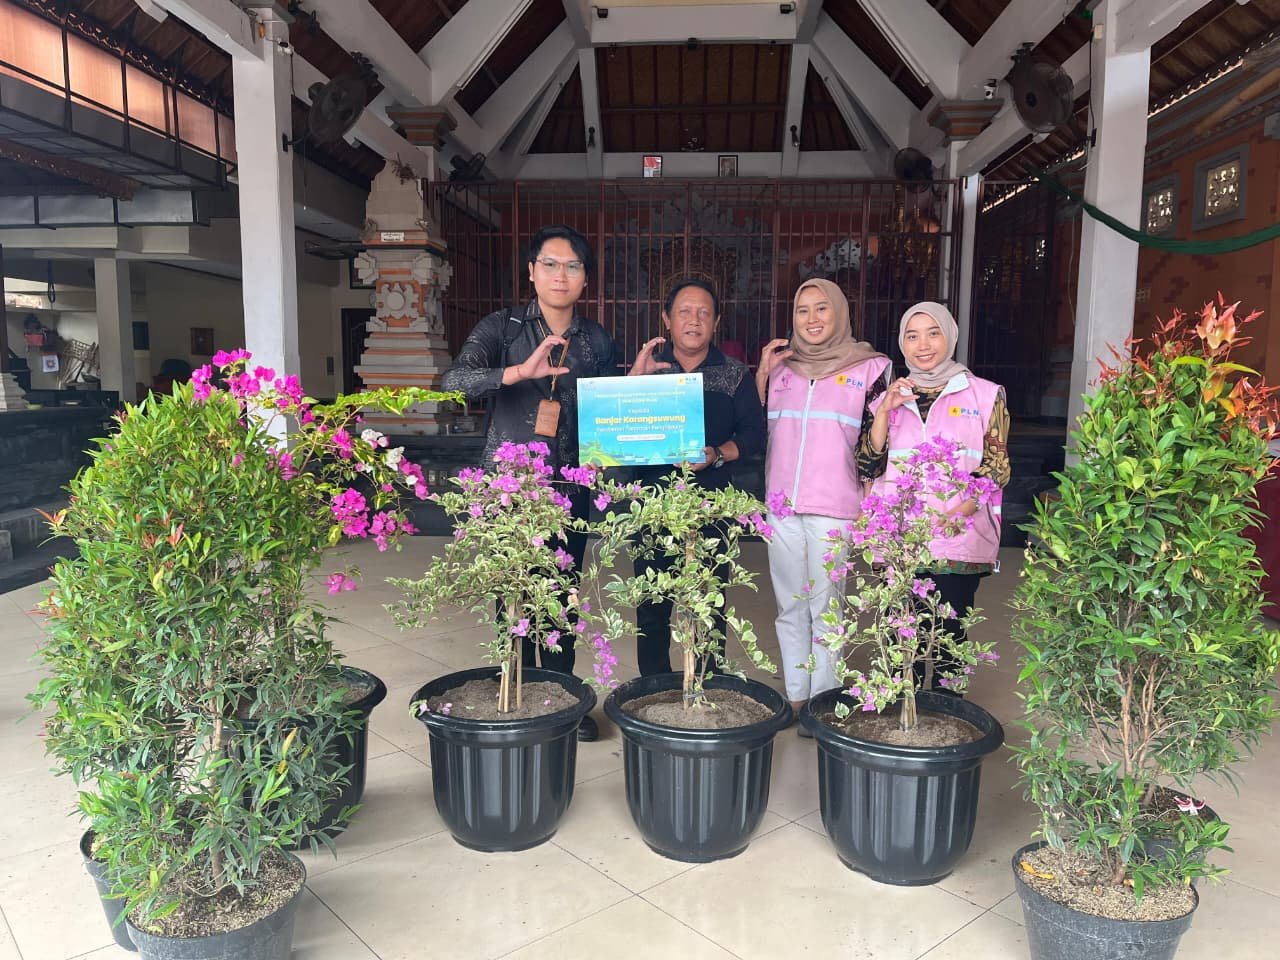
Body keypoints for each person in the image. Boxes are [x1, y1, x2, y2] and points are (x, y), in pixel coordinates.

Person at [441, 224, 616, 740]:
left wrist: (633, 386)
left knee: (562, 594)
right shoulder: (503, 328)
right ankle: (516, 695)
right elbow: (454, 382)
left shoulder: (596, 340)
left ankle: (562, 700)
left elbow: (603, 411)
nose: (561, 275)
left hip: (570, 487)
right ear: (532, 272)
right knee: (513, 596)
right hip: (510, 489)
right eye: (551, 264)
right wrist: (517, 372)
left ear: (585, 278)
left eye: (573, 266)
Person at [755, 279, 891, 735]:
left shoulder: (871, 368)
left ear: (839, 313)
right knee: (789, 605)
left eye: (821, 309)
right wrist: (761, 377)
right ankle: (796, 696)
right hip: (782, 505)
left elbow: (881, 443)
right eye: (802, 310)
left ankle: (823, 701)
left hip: (835, 506)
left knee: (826, 606)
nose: (812, 319)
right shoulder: (781, 368)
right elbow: (762, 430)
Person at [858, 301, 1010, 692]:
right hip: (898, 537)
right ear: (902, 343)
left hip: (958, 536)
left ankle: (947, 711)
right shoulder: (888, 397)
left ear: (950, 336)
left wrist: (957, 512)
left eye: (933, 333)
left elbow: (997, 467)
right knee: (897, 635)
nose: (923, 345)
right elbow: (867, 464)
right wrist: (884, 412)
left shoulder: (984, 395)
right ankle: (900, 713)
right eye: (912, 336)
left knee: (949, 635)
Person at [627, 278, 766, 675]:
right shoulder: (648, 370)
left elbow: (754, 435)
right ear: (667, 319)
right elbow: (616, 426)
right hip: (653, 505)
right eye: (684, 312)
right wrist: (634, 383)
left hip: (711, 506)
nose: (694, 320)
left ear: (716, 321)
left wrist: (718, 453)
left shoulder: (734, 375)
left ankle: (706, 683)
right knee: (652, 603)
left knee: (708, 603)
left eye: (704, 313)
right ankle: (654, 684)